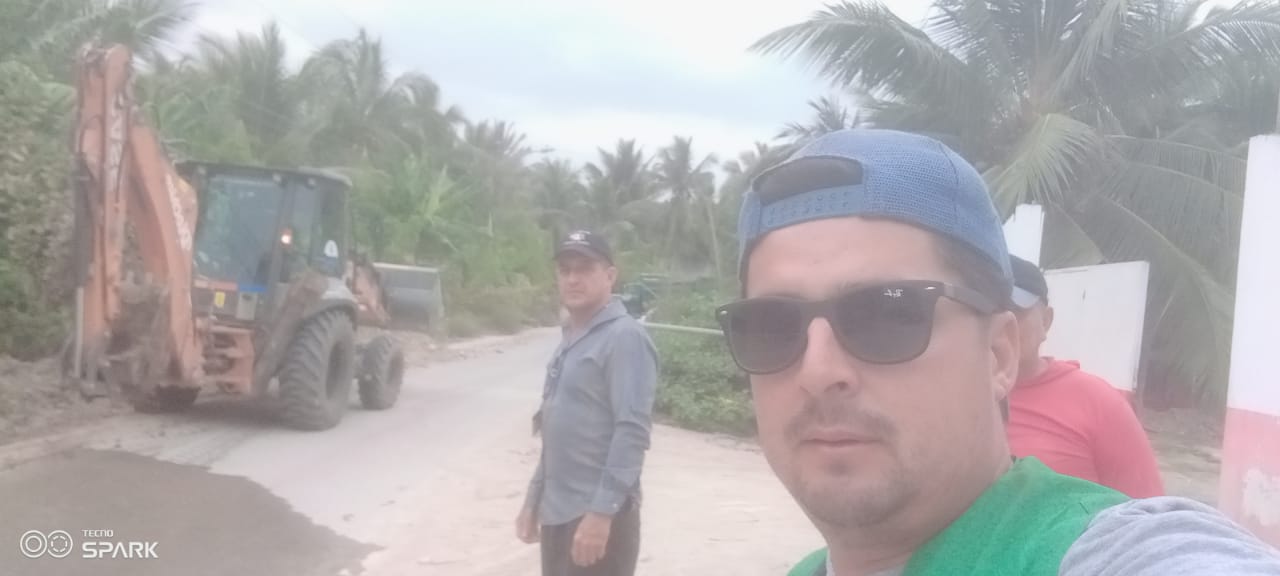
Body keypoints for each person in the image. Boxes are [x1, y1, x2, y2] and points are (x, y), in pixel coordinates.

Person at [714, 128, 1280, 575]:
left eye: (887, 314)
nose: (817, 370)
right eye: (771, 326)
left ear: (999, 355)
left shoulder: (1094, 550)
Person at [517, 229, 659, 576]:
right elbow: (553, 425)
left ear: (610, 275)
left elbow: (632, 432)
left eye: (584, 268)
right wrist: (535, 497)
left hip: (596, 519)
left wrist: (601, 514)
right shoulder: (571, 336)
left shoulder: (624, 337)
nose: (572, 279)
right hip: (559, 512)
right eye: (565, 270)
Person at [1005, 255, 1166, 498]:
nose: (1002, 324)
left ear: (1046, 321)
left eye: (1016, 311)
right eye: (989, 311)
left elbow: (1146, 508)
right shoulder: (958, 396)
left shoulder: (1098, 404)